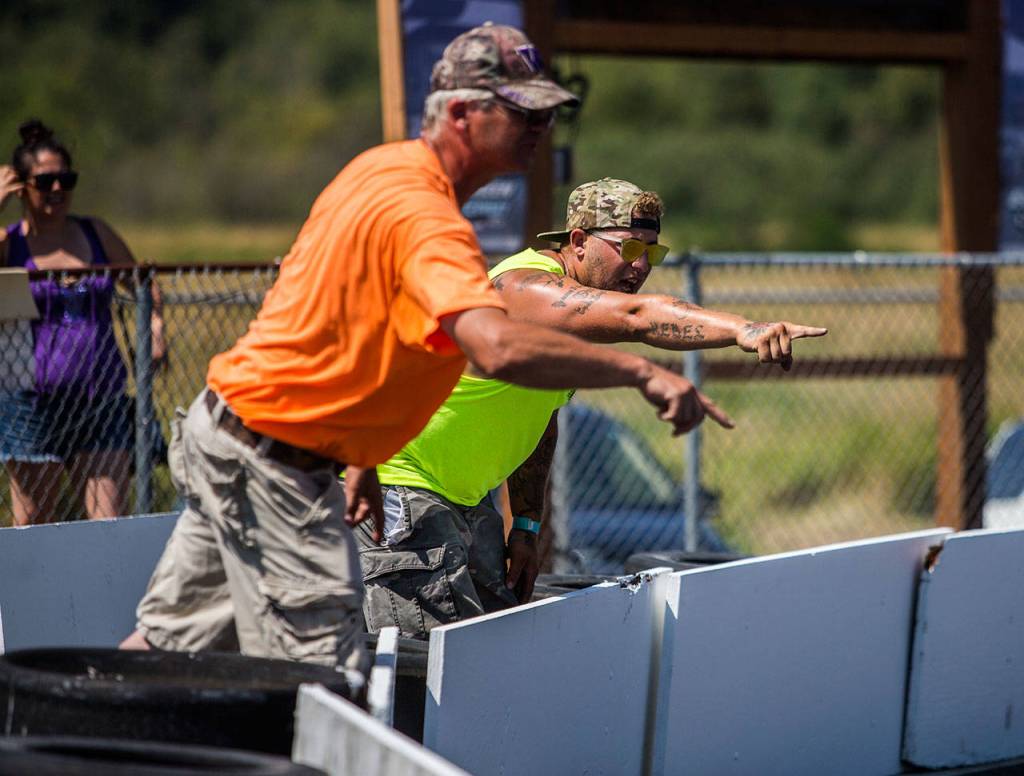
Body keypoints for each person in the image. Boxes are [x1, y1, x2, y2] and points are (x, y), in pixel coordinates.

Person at [120, 25, 731, 672]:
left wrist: (365, 451)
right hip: (277, 458)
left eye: (547, 112)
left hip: (244, 431)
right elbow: (494, 348)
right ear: (463, 113)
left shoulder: (386, 173)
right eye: (523, 109)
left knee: (165, 650)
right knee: (331, 683)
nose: (541, 125)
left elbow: (367, 332)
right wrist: (640, 373)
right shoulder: (428, 219)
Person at [360, 178, 828, 637]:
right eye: (628, 249)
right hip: (402, 485)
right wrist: (743, 329)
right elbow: (637, 316)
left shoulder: (562, 324)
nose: (641, 265)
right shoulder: (522, 289)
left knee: (494, 644)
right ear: (579, 241)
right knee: (427, 666)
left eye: (652, 252)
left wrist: (525, 524)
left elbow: (539, 421)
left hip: (463, 498)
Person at [0, 120, 166, 526]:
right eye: (45, 181)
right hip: (31, 404)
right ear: (22, 187)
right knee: (34, 528)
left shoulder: (95, 234)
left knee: (109, 523)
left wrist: (157, 325)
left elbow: (143, 282)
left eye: (66, 179)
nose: (57, 189)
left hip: (100, 397)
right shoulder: (10, 243)